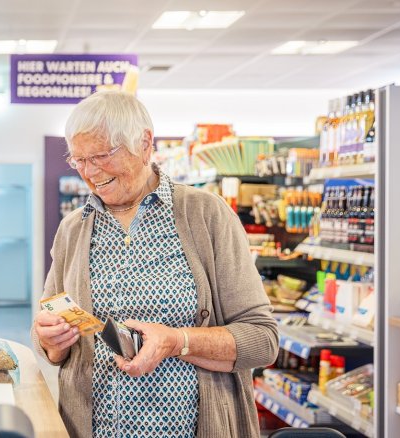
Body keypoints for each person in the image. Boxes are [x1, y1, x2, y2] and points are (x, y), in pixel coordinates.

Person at [32, 90, 278, 438]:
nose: (89, 172)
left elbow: (262, 339)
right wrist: (51, 339)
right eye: (79, 160)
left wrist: (177, 341)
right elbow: (48, 323)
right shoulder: (73, 228)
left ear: (145, 143)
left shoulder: (207, 215)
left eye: (101, 155)